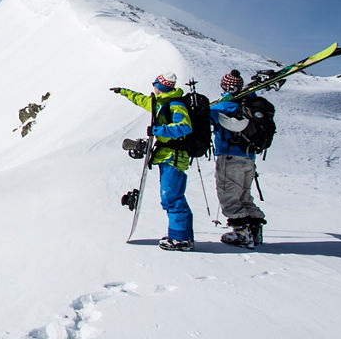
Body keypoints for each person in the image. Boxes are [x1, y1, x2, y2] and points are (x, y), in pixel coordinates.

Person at [111, 73, 195, 250]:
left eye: (155, 84)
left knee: (172, 197)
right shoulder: (160, 102)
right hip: (166, 156)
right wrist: (123, 91)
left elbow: (184, 127)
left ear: (161, 86)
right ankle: (180, 236)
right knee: (171, 197)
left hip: (174, 156)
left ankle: (181, 239)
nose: (153, 87)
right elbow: (141, 100)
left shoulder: (175, 104)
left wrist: (158, 130)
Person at [208, 70, 266, 248]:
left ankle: (242, 234)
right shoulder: (250, 104)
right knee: (244, 196)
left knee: (229, 196)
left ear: (224, 86)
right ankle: (254, 231)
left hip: (230, 156)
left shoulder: (224, 107)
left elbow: (206, 116)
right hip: (249, 157)